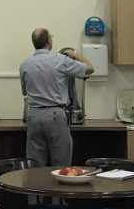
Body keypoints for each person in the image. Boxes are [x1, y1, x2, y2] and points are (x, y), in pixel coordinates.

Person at [19, 27, 94, 167]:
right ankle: (58, 189)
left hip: (33, 115)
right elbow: (89, 68)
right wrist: (74, 54)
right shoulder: (60, 61)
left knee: (35, 166)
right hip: (55, 115)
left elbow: (25, 92)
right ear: (49, 41)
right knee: (61, 164)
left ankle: (36, 187)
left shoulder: (24, 65)